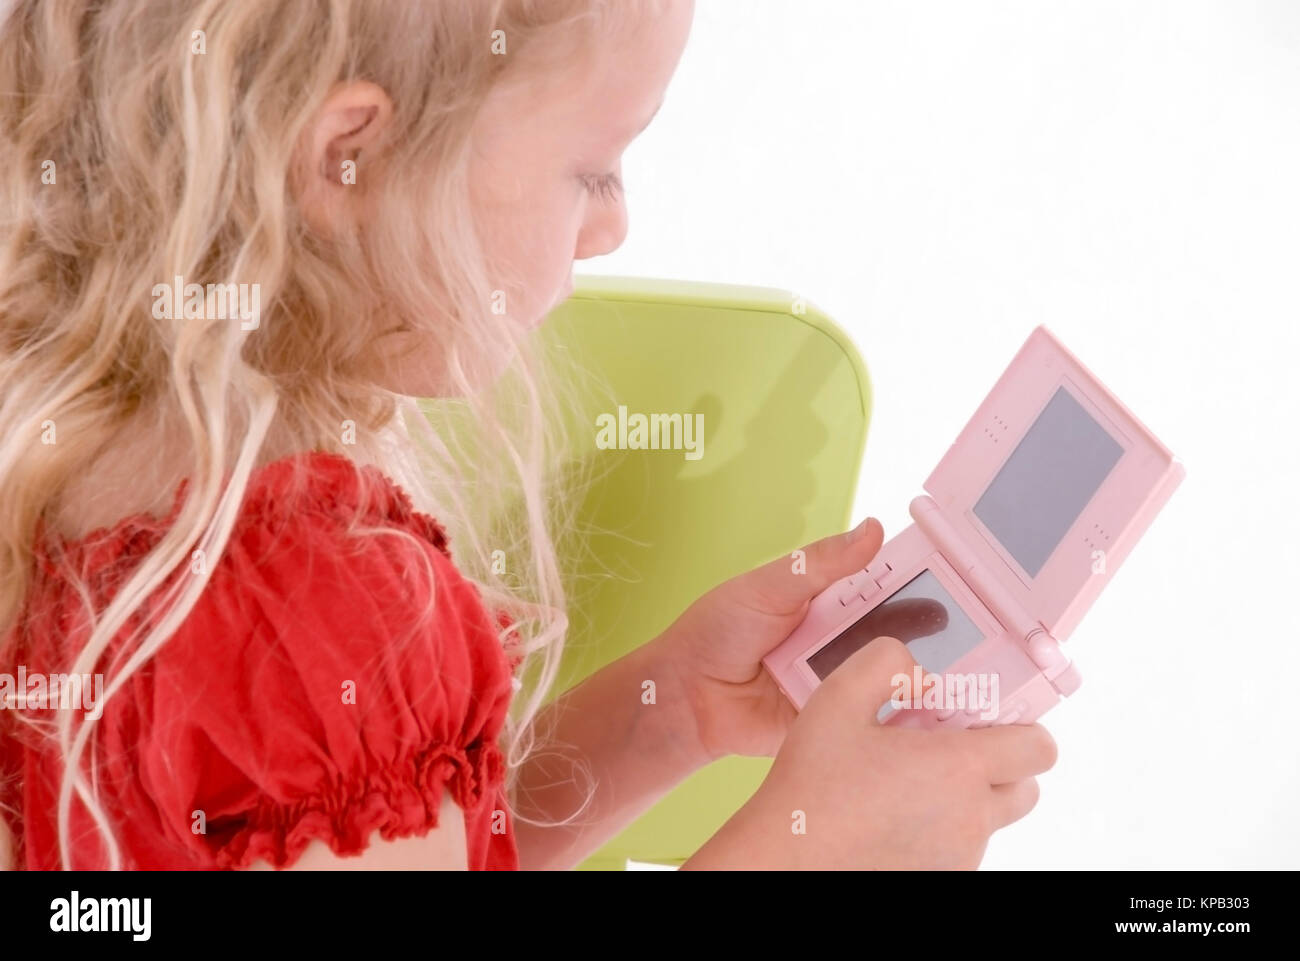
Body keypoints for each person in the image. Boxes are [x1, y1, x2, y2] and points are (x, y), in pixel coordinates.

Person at [0, 0, 1054, 871]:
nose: (613, 225)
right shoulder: (324, 620)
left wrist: (663, 714)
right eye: (594, 168)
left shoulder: (65, 458)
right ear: (348, 160)